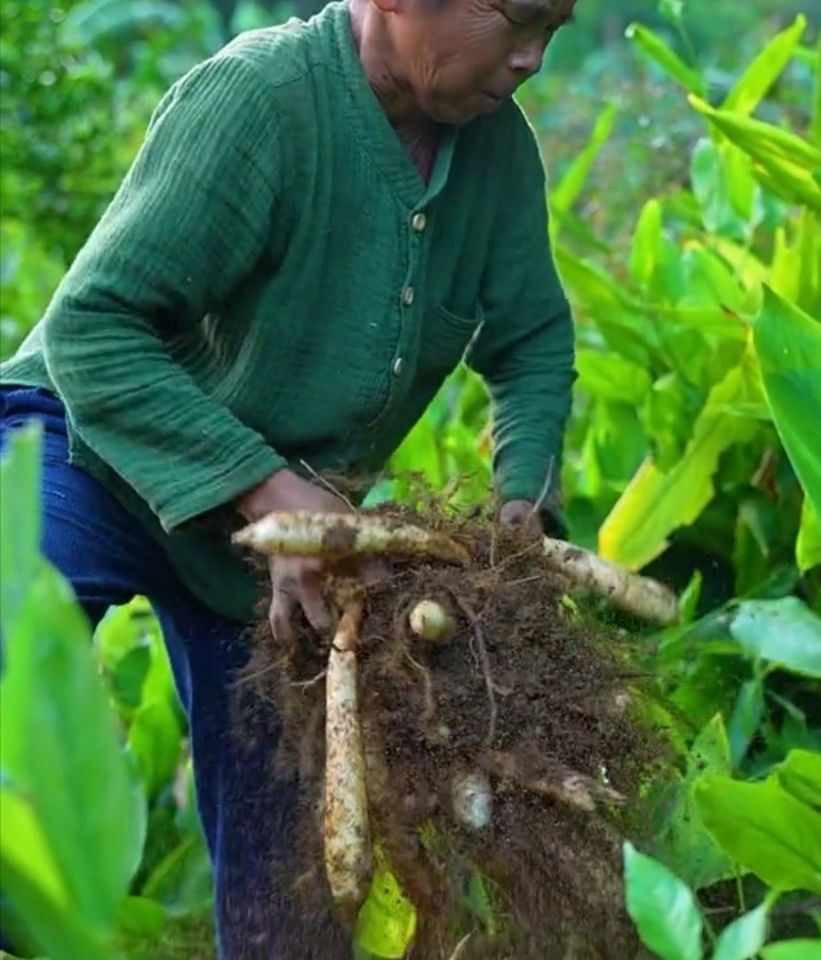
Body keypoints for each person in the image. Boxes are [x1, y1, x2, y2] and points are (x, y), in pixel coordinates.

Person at [0, 0, 578, 956]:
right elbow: (92, 330)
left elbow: (532, 340)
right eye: (514, 18)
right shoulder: (260, 99)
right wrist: (267, 488)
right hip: (89, 449)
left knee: (298, 899)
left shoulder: (495, 154)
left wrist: (523, 498)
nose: (532, 58)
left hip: (278, 545)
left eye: (554, 27)